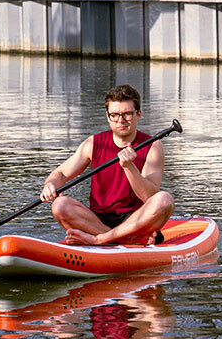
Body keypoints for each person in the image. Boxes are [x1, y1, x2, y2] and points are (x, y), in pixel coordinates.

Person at [40, 84, 174, 246]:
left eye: (127, 114)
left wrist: (129, 167)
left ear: (139, 115)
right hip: (97, 219)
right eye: (115, 115)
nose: (120, 120)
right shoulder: (93, 143)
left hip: (135, 220)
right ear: (107, 116)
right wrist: (50, 184)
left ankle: (101, 239)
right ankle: (124, 240)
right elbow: (61, 174)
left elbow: (149, 196)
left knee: (164, 200)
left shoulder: (153, 146)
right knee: (60, 205)